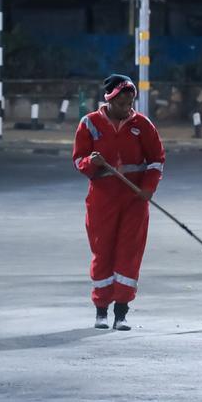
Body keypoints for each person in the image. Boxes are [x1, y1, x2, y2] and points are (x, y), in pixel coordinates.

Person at [71, 74, 165, 330]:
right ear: (109, 100)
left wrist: (148, 188)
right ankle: (101, 310)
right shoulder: (89, 123)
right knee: (103, 251)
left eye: (130, 103)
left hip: (135, 200)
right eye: (121, 103)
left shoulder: (142, 125)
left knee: (129, 253)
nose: (127, 108)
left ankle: (121, 312)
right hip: (102, 199)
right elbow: (78, 160)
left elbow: (156, 160)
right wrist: (92, 162)